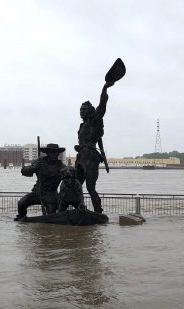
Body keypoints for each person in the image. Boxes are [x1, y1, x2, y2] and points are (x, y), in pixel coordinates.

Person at [75, 82, 113, 213]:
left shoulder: (95, 120)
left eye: (83, 110)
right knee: (76, 184)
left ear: (90, 111)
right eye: (80, 110)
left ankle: (98, 210)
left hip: (91, 157)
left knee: (90, 187)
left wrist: (105, 88)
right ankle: (78, 207)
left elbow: (102, 105)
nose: (81, 112)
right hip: (81, 157)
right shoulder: (82, 126)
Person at [16, 143, 66, 220]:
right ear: (47, 153)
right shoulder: (40, 161)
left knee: (51, 216)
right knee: (21, 203)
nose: (53, 154)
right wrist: (33, 168)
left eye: (55, 152)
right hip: (38, 192)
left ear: (58, 154)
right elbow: (24, 171)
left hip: (51, 195)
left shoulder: (61, 166)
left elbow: (70, 179)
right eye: (51, 152)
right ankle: (22, 219)